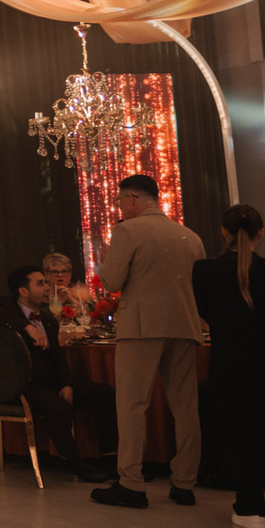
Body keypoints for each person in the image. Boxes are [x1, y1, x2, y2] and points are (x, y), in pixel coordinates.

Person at [93, 173, 207, 509]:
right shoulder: (190, 236)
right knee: (186, 407)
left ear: (131, 199)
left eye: (120, 201)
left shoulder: (128, 231)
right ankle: (184, 482)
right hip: (184, 325)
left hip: (141, 327)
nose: (120, 208)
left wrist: (105, 257)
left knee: (132, 405)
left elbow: (112, 281)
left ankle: (131, 482)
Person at [192, 204, 265, 528]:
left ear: (223, 232)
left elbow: (206, 313)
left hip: (232, 363)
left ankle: (252, 510)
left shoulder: (204, 270)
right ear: (261, 232)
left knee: (244, 436)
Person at [0, 265, 116, 482]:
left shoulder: (49, 320)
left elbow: (58, 359)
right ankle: (73, 462)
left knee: (105, 395)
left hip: (51, 380)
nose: (48, 287)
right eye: (41, 283)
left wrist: (67, 384)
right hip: (23, 383)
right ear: (23, 291)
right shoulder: (7, 308)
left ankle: (111, 460)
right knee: (59, 408)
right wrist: (26, 327)